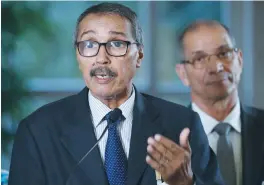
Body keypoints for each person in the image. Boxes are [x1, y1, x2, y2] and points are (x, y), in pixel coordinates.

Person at [8, 3, 224, 185]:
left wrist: (187, 182)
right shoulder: (38, 130)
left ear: (138, 55)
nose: (101, 58)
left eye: (116, 44)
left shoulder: (182, 124)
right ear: (78, 55)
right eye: (90, 44)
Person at [176, 20, 264, 185]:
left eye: (223, 54)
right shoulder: (168, 140)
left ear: (239, 59)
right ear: (183, 74)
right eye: (200, 59)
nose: (216, 67)